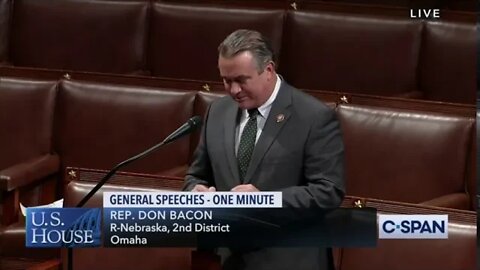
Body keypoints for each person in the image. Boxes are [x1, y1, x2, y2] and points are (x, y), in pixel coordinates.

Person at [183, 29, 345, 270]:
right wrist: (195, 193)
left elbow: (328, 191)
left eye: (241, 80)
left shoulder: (313, 117)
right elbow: (197, 174)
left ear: (268, 70)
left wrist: (265, 201)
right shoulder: (218, 111)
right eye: (227, 81)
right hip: (230, 260)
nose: (233, 90)